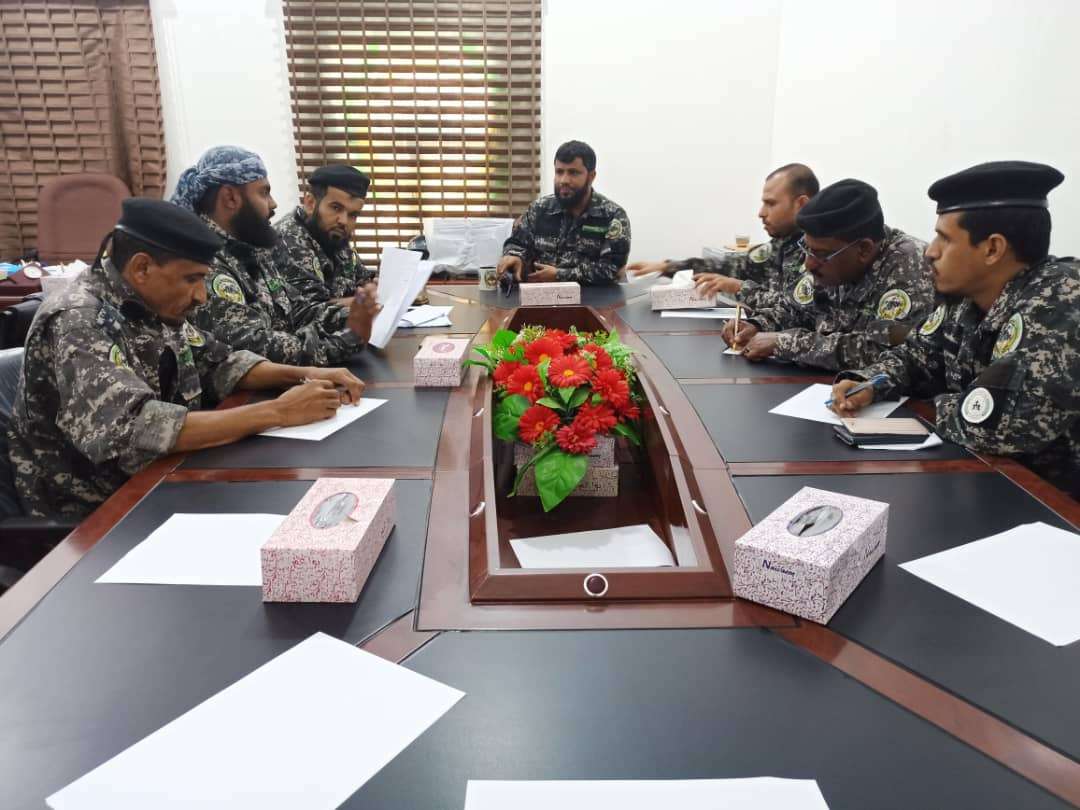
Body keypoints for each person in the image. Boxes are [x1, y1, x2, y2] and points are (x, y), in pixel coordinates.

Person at [8, 199, 365, 519]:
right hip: (98, 515)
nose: (201, 296)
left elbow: (219, 362)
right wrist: (279, 412)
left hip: (165, 479)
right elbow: (136, 427)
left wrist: (306, 373)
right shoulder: (78, 319)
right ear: (142, 268)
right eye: (192, 279)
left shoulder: (151, 302)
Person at [831, 161, 1079, 498]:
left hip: (1053, 505)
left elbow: (997, 427)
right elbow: (915, 358)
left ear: (992, 249)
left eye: (944, 239)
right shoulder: (965, 300)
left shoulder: (1060, 301)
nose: (930, 251)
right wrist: (871, 383)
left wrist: (932, 403)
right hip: (987, 482)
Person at [171, 146, 380, 365]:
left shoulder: (252, 248)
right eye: (264, 193)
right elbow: (256, 346)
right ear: (230, 198)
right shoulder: (204, 263)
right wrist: (346, 340)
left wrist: (353, 315)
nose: (273, 204)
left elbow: (298, 312)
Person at [724, 178, 934, 371]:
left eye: (820, 254)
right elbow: (797, 309)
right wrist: (757, 325)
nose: (809, 264)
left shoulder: (909, 264)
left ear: (863, 249)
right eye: (807, 249)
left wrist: (788, 343)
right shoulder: (827, 257)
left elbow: (882, 350)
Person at [626, 163, 818, 310]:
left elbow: (797, 310)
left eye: (771, 203)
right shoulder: (779, 245)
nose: (761, 213)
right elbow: (729, 266)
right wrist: (668, 266)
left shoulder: (819, 254)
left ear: (801, 204)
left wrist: (738, 287)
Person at [497, 140, 631, 285]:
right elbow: (517, 243)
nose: (564, 180)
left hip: (592, 297)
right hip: (540, 295)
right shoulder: (540, 209)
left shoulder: (612, 216)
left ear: (591, 176)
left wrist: (560, 275)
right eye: (559, 172)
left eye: (573, 173)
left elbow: (611, 269)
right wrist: (514, 256)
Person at [273, 164, 375, 309]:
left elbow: (364, 281)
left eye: (353, 214)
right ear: (310, 203)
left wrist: (376, 288)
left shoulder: (333, 235)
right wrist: (365, 301)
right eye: (336, 208)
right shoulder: (288, 240)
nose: (344, 221)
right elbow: (310, 310)